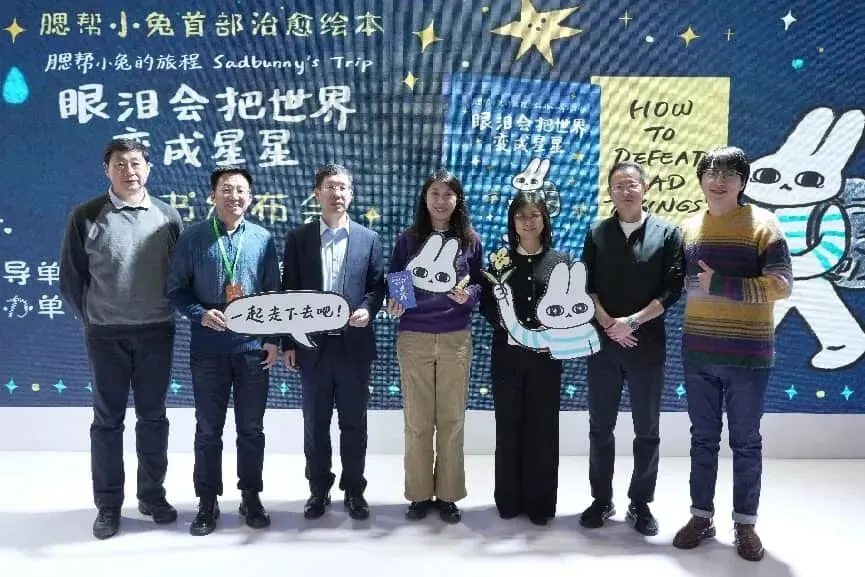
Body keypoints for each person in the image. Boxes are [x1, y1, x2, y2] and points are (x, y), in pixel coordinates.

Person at [672, 147, 793, 561]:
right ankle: (701, 517)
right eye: (710, 173)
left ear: (743, 181)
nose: (718, 180)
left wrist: (722, 284)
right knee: (702, 440)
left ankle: (745, 524)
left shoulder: (764, 225)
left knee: (746, 442)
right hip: (698, 352)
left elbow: (782, 285)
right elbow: (681, 284)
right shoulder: (689, 228)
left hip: (748, 355)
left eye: (727, 174)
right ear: (701, 180)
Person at [59, 138, 183, 540]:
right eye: (120, 164)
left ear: (149, 168)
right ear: (106, 169)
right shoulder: (85, 215)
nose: (129, 171)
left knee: (153, 418)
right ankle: (109, 505)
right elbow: (71, 278)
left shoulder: (168, 216)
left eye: (136, 163)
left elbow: (179, 275)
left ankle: (152, 496)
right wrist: (95, 317)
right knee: (108, 421)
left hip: (156, 332)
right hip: (105, 335)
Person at [166, 167, 280, 536]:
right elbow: (176, 289)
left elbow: (273, 294)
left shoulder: (262, 239)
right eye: (226, 189)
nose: (234, 196)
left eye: (241, 190)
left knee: (251, 429)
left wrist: (273, 339)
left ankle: (251, 496)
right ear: (213, 195)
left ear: (251, 197)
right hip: (209, 350)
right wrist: (199, 313)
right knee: (208, 429)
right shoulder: (193, 238)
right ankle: (207, 501)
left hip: (252, 350)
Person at [578, 160, 684, 536]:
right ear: (610, 192)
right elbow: (586, 286)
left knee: (647, 429)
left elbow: (672, 290)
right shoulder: (597, 233)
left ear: (645, 188)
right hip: (603, 345)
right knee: (600, 427)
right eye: (618, 185)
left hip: (646, 346)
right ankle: (601, 499)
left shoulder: (668, 234)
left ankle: (640, 502)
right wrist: (609, 324)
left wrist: (632, 323)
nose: (625, 191)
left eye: (632, 184)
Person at [281, 164, 385, 521]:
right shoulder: (299, 238)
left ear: (350, 194)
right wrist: (289, 343)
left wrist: (368, 309)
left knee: (354, 423)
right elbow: (289, 292)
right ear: (317, 193)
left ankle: (354, 489)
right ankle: (318, 489)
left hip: (353, 346)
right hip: (312, 347)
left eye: (342, 187)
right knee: (315, 423)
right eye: (329, 187)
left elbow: (377, 286)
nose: (336, 194)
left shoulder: (369, 239)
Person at [387, 168, 484, 524]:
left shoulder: (471, 240)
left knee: (452, 420)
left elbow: (480, 284)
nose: (441, 201)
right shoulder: (409, 239)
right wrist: (397, 301)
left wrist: (467, 295)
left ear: (458, 200)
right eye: (435, 194)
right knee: (417, 421)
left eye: (448, 194)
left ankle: (447, 495)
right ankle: (418, 495)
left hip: (455, 337)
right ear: (425, 198)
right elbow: (396, 278)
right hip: (414, 336)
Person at [479, 192, 570, 526]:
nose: (528, 222)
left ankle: (540, 503)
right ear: (512, 222)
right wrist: (506, 322)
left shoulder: (561, 261)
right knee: (509, 426)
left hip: (547, 358)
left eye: (534, 215)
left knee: (543, 428)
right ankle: (508, 499)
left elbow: (570, 306)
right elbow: (486, 304)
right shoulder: (500, 261)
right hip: (508, 357)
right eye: (521, 216)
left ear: (544, 219)